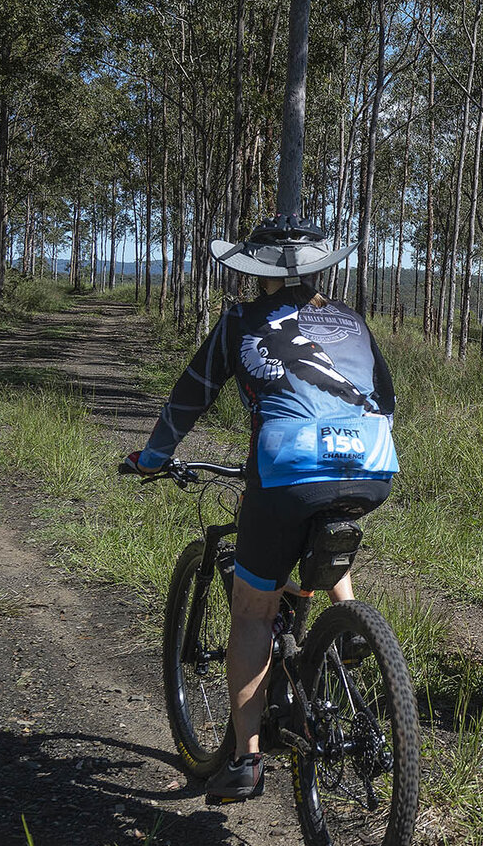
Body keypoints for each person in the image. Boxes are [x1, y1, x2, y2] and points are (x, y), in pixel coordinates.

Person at [124, 217, 398, 802]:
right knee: (317, 517)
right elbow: (385, 397)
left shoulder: (240, 321)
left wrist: (153, 456)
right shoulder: (351, 320)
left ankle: (246, 761)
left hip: (287, 468)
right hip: (373, 465)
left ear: (261, 274)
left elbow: (191, 393)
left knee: (251, 611)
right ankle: (345, 631)